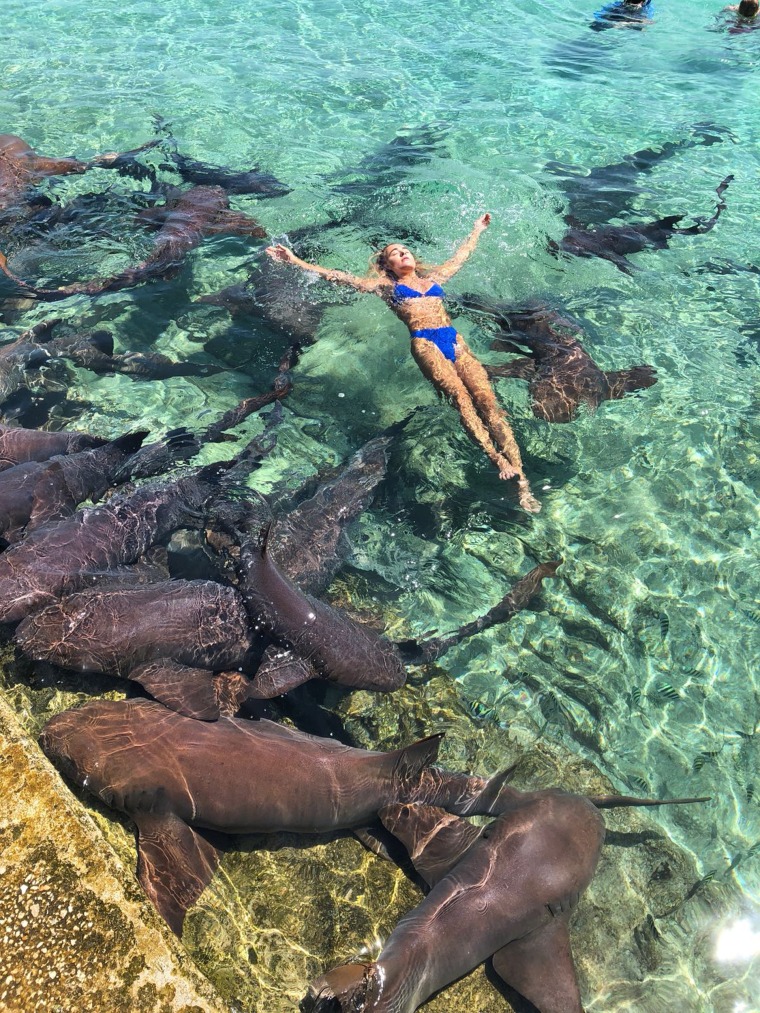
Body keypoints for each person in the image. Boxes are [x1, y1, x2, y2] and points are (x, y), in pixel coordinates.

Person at [266, 215, 541, 513]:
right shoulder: (385, 287)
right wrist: (295, 261)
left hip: (455, 341)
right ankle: (496, 458)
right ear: (388, 266)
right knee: (462, 400)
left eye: (404, 249)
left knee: (489, 402)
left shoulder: (434, 279)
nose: (402, 253)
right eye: (395, 254)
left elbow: (462, 255)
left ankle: (521, 479)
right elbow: (337, 276)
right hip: (425, 343)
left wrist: (477, 229)